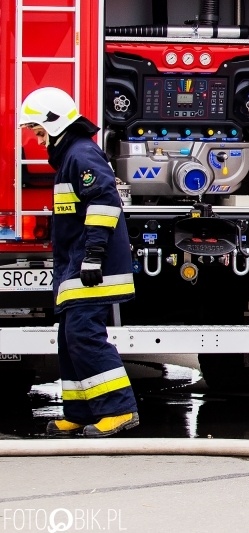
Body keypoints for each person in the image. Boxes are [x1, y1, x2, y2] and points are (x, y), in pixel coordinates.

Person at [19, 87, 140, 436]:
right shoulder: (72, 156)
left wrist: (93, 257)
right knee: (70, 339)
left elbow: (104, 203)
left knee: (84, 336)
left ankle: (118, 410)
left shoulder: (81, 156)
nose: (40, 142)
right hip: (78, 267)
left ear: (55, 125)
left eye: (40, 132)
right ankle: (80, 411)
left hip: (92, 268)